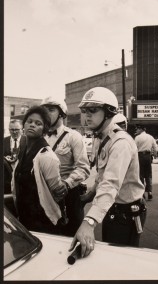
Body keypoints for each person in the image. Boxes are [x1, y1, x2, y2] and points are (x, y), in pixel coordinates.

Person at [69, 87, 146, 258]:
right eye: (84, 110)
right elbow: (102, 175)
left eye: (93, 110)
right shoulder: (99, 137)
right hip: (111, 208)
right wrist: (90, 195)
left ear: (109, 112)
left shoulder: (121, 142)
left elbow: (111, 183)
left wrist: (89, 222)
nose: (87, 115)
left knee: (120, 261)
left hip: (126, 212)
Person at [11, 106, 68, 233]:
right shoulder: (23, 149)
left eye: (38, 123)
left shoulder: (46, 155)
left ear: (44, 129)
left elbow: (57, 193)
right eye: (29, 121)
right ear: (24, 125)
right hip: (23, 216)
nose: (32, 125)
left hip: (42, 220)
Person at [41, 96, 90, 236]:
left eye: (51, 110)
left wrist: (67, 184)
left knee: (71, 236)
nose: (46, 113)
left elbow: (84, 168)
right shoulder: (39, 137)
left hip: (68, 196)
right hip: (44, 196)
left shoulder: (73, 136)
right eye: (44, 110)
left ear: (62, 113)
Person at [134, 126, 158, 200]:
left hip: (140, 156)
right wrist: (154, 154)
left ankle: (142, 193)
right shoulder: (150, 137)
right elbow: (155, 147)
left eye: (137, 129)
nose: (136, 130)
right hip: (148, 156)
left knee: (140, 175)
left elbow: (134, 148)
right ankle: (150, 192)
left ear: (141, 129)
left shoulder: (137, 138)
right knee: (148, 175)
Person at [4, 120, 26, 194]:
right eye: (12, 129)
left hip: (23, 181)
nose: (14, 132)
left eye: (17, 129)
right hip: (7, 181)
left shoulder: (28, 141)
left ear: (22, 129)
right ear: (9, 129)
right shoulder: (3, 141)